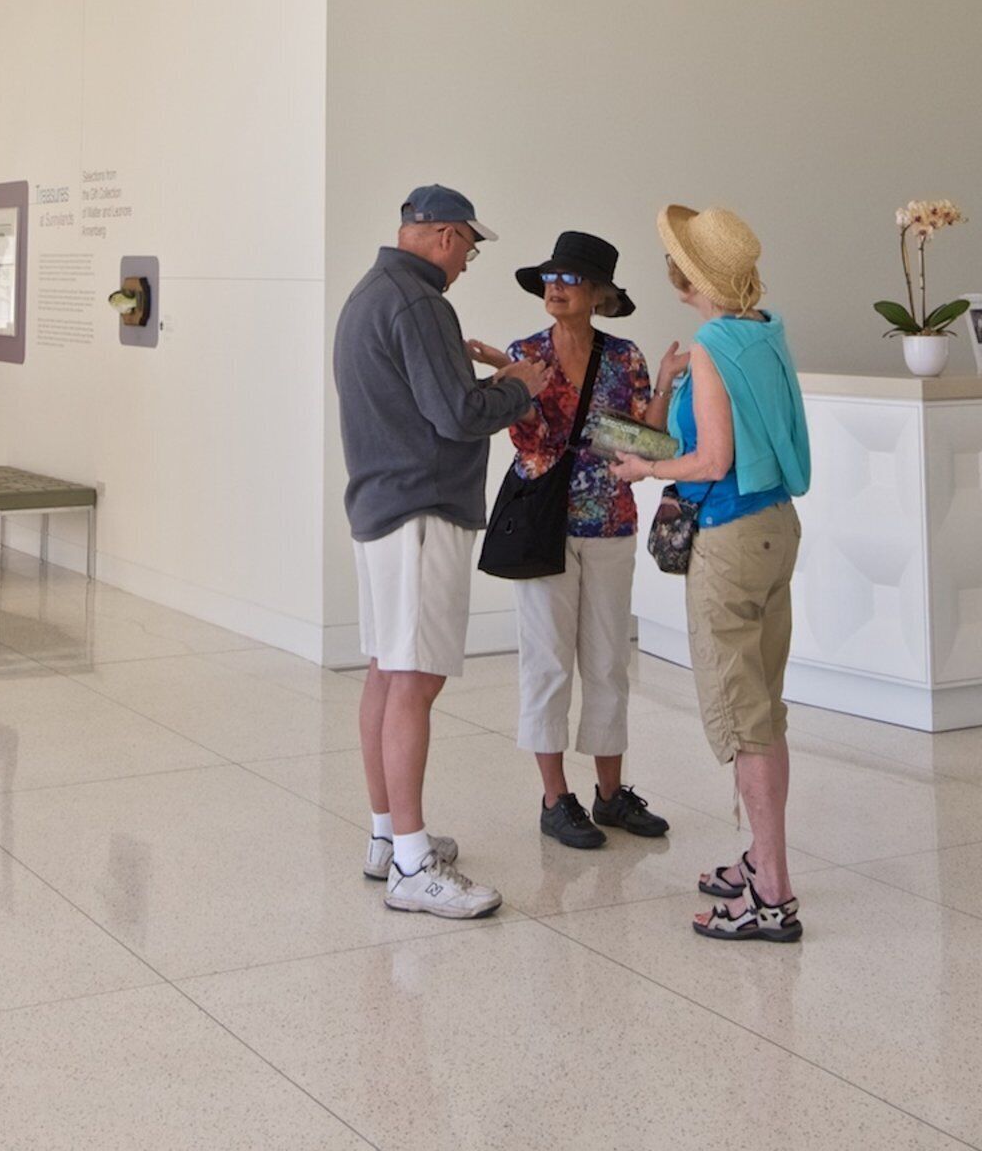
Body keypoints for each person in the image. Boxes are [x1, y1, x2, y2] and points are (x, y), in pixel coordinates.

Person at [336, 184, 556, 919]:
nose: (467, 264)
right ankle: (411, 862)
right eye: (469, 247)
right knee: (415, 681)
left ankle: (384, 837)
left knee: (385, 672)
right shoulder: (421, 302)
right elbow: (458, 417)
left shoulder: (370, 294)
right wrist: (517, 386)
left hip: (381, 506)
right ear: (443, 236)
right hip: (421, 507)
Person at [608, 203, 812, 943]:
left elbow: (712, 461)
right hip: (775, 527)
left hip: (726, 537)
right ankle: (760, 861)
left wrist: (643, 467)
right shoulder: (765, 332)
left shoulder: (710, 345)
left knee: (743, 721)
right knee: (766, 707)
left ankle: (772, 895)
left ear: (687, 274)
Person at [497, 230, 670, 851]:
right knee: (547, 660)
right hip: (545, 521)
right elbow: (528, 441)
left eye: (570, 280)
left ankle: (609, 795)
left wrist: (670, 380)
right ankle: (554, 799)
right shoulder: (524, 352)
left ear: (598, 294)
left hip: (611, 522)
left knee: (607, 662)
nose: (556, 288)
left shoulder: (626, 359)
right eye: (551, 277)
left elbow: (650, 444)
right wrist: (516, 385)